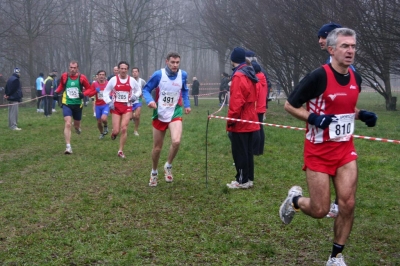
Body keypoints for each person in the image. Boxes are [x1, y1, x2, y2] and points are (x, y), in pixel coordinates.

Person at [279, 28, 378, 265]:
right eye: (345, 46)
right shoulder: (318, 76)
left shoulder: (357, 78)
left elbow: (344, 109)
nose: (350, 51)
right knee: (321, 209)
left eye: (353, 46)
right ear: (331, 50)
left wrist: (362, 114)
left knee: (348, 203)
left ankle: (336, 256)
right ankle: (295, 201)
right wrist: (312, 118)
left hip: (345, 149)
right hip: (318, 150)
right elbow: (290, 105)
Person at [142, 52, 191, 187]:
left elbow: (185, 90)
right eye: (172, 62)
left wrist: (187, 104)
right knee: (157, 148)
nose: (175, 65)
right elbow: (146, 89)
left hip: (175, 111)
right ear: (166, 62)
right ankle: (154, 172)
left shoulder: (183, 75)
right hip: (160, 112)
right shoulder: (159, 75)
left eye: (177, 63)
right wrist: (150, 101)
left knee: (176, 141)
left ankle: (168, 165)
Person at [225, 47, 259, 189]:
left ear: (232, 60)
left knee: (240, 151)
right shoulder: (249, 71)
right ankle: (248, 178)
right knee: (248, 151)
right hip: (251, 117)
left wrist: (231, 120)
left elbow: (237, 101)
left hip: (241, 119)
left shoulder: (239, 75)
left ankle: (241, 180)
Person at [103, 61, 141, 158]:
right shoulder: (113, 80)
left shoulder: (132, 80)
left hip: (127, 107)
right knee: (116, 131)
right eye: (122, 68)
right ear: (118, 69)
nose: (123, 70)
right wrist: (109, 102)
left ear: (127, 70)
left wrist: (135, 96)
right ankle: (114, 133)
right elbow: (105, 92)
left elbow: (139, 90)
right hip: (115, 107)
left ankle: (120, 151)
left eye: (125, 69)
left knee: (124, 128)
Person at [55, 60, 91, 154]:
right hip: (67, 103)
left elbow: (89, 89)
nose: (72, 69)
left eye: (74, 68)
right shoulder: (64, 76)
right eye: (71, 67)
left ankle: (77, 128)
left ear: (77, 68)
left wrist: (83, 94)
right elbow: (61, 86)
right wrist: (56, 92)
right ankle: (68, 147)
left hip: (78, 104)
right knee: (67, 123)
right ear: (69, 67)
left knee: (76, 125)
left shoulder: (82, 77)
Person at [84, 70, 109, 139]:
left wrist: (110, 96)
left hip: (105, 104)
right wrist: (95, 91)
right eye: (100, 74)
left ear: (105, 76)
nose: (101, 76)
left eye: (103, 74)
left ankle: (106, 126)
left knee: (103, 119)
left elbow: (112, 92)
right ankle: (101, 133)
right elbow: (90, 95)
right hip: (98, 105)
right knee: (99, 122)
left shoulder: (108, 83)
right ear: (97, 76)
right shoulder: (94, 84)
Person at [251, 61, 267, 156]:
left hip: (256, 107)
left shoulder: (257, 81)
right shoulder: (262, 78)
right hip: (261, 106)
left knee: (256, 129)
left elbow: (254, 95)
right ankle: (260, 149)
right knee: (260, 128)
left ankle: (255, 150)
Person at [131, 67, 146, 136]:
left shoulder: (142, 81)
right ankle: (132, 118)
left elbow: (146, 89)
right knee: (130, 117)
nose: (134, 73)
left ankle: (135, 131)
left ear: (138, 72)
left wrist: (142, 94)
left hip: (138, 100)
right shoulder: (129, 80)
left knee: (137, 116)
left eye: (136, 71)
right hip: (130, 101)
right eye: (133, 72)